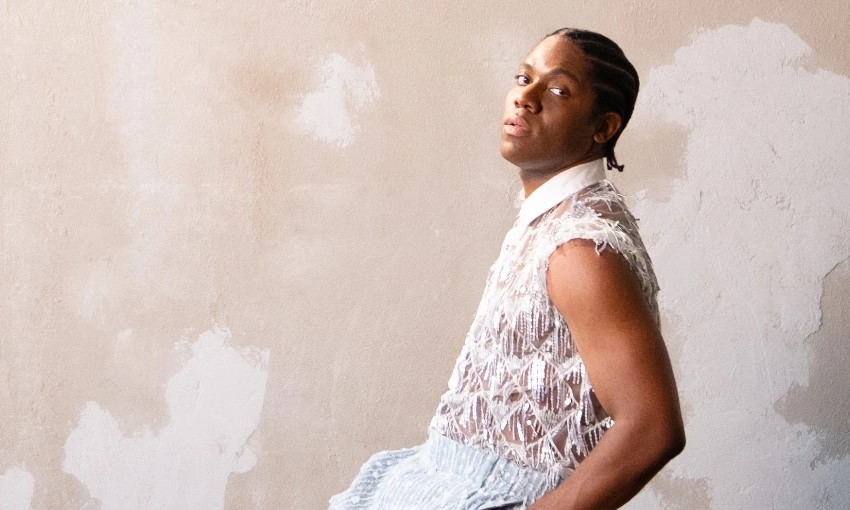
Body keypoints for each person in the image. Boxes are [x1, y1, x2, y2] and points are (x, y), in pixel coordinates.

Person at [329, 27, 685, 510]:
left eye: (558, 90)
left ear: (603, 128)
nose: (526, 98)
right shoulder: (552, 218)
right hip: (446, 481)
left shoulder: (579, 247)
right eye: (523, 78)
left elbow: (652, 428)